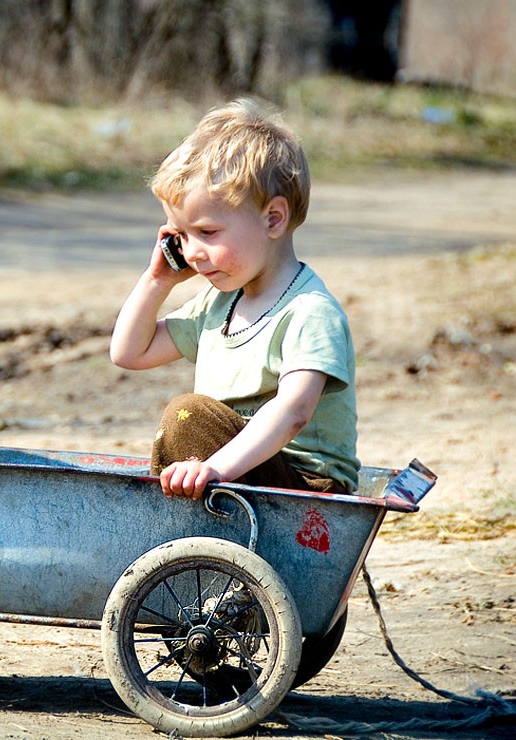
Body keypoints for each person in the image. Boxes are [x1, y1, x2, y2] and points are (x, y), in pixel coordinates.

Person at [110, 99, 357, 500]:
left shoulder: (310, 313)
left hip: (305, 488)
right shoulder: (218, 306)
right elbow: (129, 353)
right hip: (238, 476)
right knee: (189, 421)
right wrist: (157, 280)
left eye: (207, 232)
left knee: (186, 417)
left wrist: (215, 469)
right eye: (181, 235)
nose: (192, 252)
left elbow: (293, 412)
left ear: (273, 219)